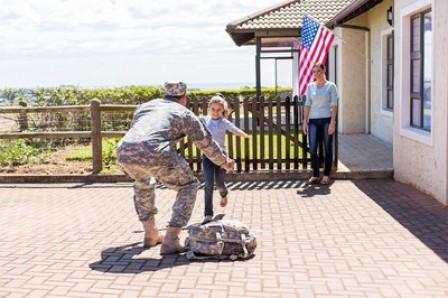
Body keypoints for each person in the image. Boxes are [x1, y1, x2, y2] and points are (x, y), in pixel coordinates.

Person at [117, 82, 235, 255]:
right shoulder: (184, 113)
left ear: (165, 95)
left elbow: (138, 131)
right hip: (155, 151)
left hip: (125, 151)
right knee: (189, 186)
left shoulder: (145, 107)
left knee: (143, 183)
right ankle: (171, 239)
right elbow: (206, 144)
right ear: (184, 98)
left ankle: (150, 234)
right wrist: (225, 162)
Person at [201, 94, 249, 223]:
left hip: (221, 157)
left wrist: (244, 135)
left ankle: (224, 194)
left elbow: (234, 129)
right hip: (207, 156)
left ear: (223, 110)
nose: (216, 112)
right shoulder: (204, 120)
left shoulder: (223, 122)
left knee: (220, 184)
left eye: (219, 110)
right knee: (208, 185)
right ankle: (208, 214)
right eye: (213, 109)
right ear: (209, 108)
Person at [302, 62, 338, 185]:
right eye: (315, 72)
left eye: (319, 71)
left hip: (327, 120)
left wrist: (333, 122)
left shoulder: (331, 86)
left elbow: (334, 105)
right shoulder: (310, 86)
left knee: (327, 148)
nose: (317, 74)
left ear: (324, 70)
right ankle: (316, 174)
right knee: (312, 148)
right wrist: (305, 122)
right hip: (313, 121)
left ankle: (326, 175)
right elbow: (307, 105)